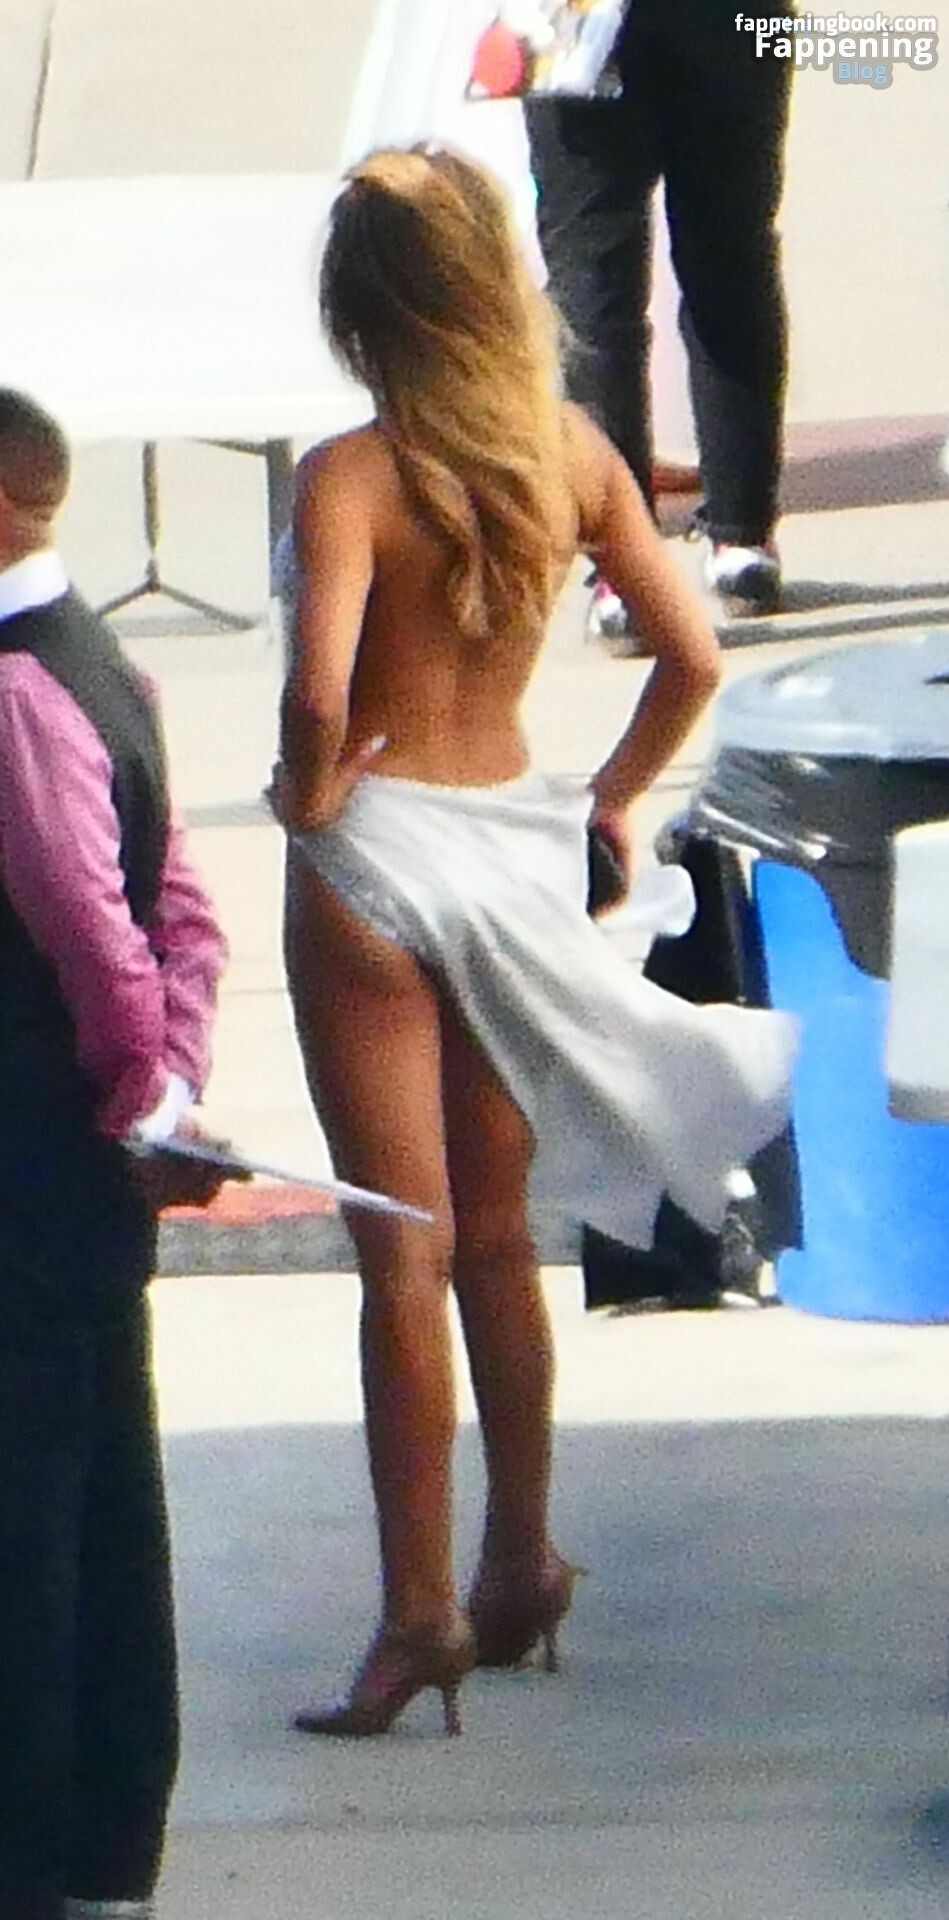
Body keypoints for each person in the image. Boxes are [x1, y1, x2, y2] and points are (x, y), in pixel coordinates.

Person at [271, 147, 795, 1740]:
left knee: (403, 1250)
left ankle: (414, 1612)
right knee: (499, 1241)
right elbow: (689, 653)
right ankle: (520, 1563)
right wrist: (614, 799)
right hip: (510, 843)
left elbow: (317, 691)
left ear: (360, 309)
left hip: (376, 856)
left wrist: (303, 793)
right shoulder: (564, 453)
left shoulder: (350, 477)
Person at [0, 389, 234, 1920]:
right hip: (89, 1169)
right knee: (104, 1497)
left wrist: (138, 1090)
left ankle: (35, 1852)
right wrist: (169, 1093)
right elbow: (182, 913)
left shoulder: (17, 690)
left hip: (30, 1159)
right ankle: (105, 1845)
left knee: (29, 1525)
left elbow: (92, 931)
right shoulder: (109, 664)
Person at [525, 0, 794, 643]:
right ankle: (742, 538)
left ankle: (626, 569)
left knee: (593, 289)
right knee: (731, 259)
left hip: (579, 20)